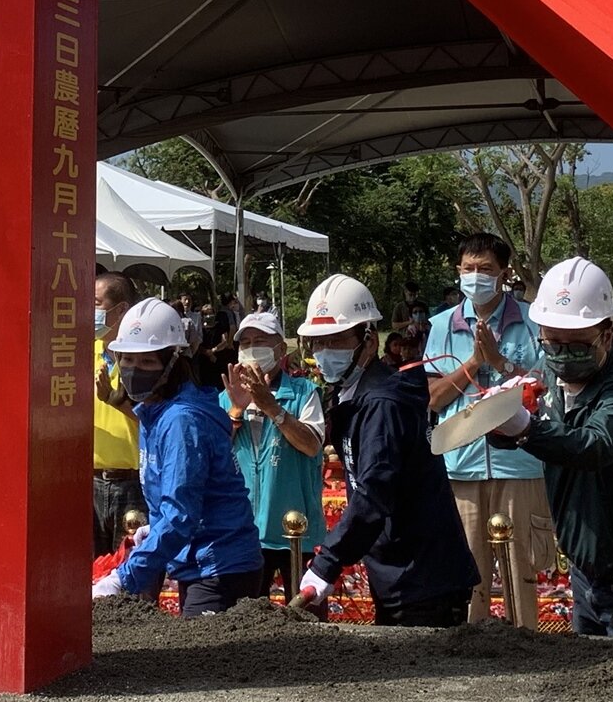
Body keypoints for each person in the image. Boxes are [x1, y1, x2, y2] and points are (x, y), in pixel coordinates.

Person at [487, 257, 613, 637]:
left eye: (577, 344)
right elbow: (540, 444)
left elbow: (594, 446)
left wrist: (526, 430)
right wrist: (499, 424)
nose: (564, 354)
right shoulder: (552, 376)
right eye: (553, 343)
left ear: (608, 335)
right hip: (587, 572)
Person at [297, 274, 478, 626]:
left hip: (420, 576)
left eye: (336, 341)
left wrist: (326, 564)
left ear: (368, 341)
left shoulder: (383, 404)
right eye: (317, 344)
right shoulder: (355, 396)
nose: (324, 354)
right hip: (401, 570)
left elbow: (374, 491)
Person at [91, 298, 262, 615]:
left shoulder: (180, 420)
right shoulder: (154, 412)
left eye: (146, 362)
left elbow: (180, 515)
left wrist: (123, 578)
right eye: (126, 360)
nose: (133, 371)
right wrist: (153, 528)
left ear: (173, 363)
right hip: (199, 562)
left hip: (217, 564)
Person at [424, 233, 553, 628]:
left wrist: (499, 362)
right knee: (468, 573)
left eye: (485, 270)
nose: (475, 277)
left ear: (504, 274)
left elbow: (544, 388)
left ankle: (528, 642)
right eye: (468, 269)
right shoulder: (442, 325)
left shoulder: (534, 321)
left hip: (520, 463)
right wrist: (473, 364)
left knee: (522, 567)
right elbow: (432, 398)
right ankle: (469, 649)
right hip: (461, 462)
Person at [218, 312, 325, 604]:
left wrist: (271, 407)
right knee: (247, 617)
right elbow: (214, 453)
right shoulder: (226, 397)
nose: (252, 348)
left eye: (261, 341)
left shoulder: (303, 392)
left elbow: (311, 445)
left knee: (306, 618)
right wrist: (236, 413)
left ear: (280, 350)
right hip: (245, 529)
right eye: (247, 342)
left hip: (296, 531)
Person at [92, 272, 145, 555]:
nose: (90, 311)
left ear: (121, 309)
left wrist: (118, 403)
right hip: (90, 481)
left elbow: (157, 419)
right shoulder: (81, 351)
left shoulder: (143, 357)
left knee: (129, 575)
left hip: (132, 484)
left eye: (97, 303)